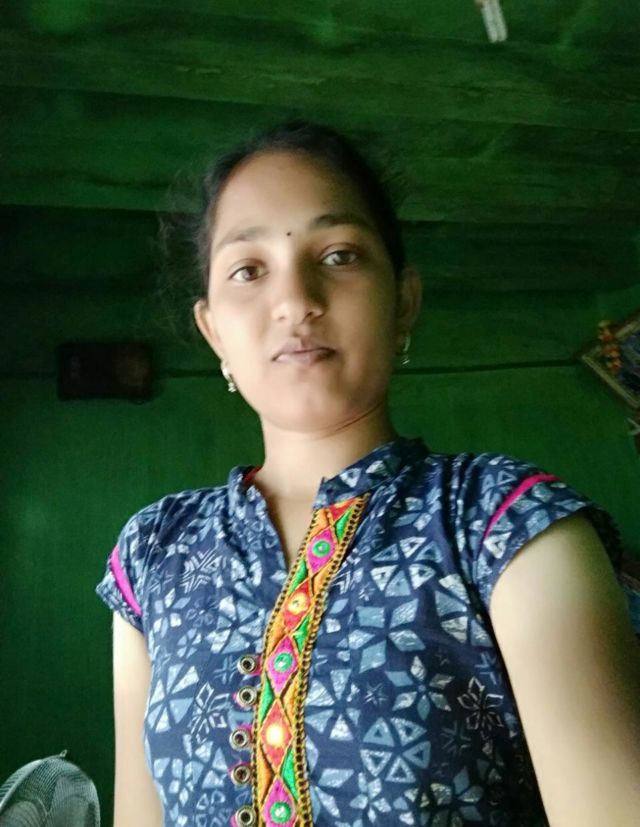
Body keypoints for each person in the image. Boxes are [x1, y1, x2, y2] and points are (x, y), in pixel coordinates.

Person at [96, 120, 640, 827]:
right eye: (248, 270)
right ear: (213, 331)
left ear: (403, 301)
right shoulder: (154, 552)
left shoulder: (504, 525)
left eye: (340, 254)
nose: (295, 299)